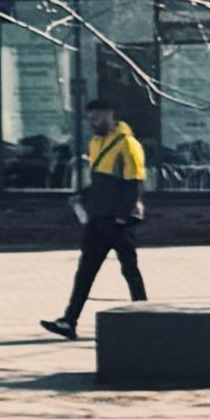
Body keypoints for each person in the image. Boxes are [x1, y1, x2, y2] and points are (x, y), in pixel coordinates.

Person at [40, 104, 150, 338]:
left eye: (97, 118)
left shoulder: (128, 144)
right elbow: (102, 182)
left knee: (129, 268)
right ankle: (69, 321)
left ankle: (145, 316)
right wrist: (83, 196)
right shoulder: (95, 144)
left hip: (118, 220)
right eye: (90, 118)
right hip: (98, 218)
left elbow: (134, 183)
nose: (92, 123)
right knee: (85, 271)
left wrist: (121, 217)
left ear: (110, 117)